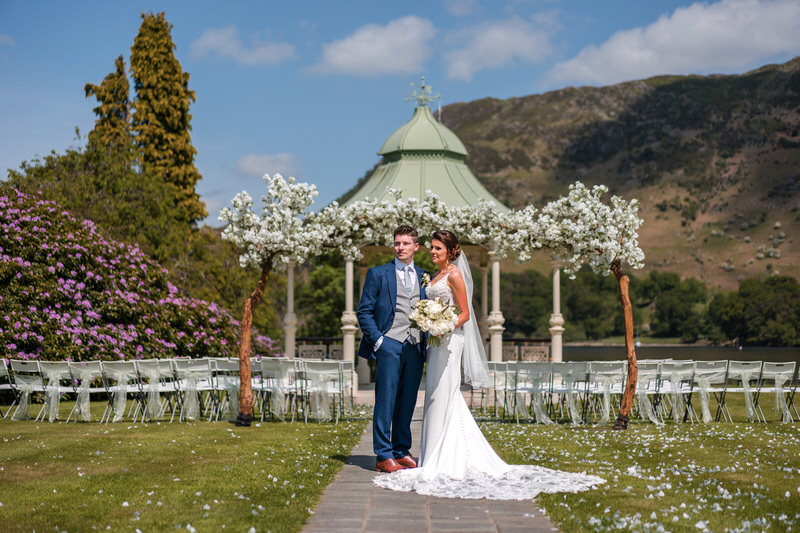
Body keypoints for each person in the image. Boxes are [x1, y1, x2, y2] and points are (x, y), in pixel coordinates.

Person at [374, 230, 605, 500]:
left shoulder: (455, 275)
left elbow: (465, 313)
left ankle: (444, 456)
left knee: (445, 394)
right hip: (432, 344)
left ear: (450, 251)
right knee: (435, 395)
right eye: (432, 248)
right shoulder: (432, 276)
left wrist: (442, 326)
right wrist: (429, 324)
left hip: (447, 341)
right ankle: (430, 454)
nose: (433, 252)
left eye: (438, 248)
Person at [357, 225, 427, 473]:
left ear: (415, 247)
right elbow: (364, 311)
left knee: (407, 401)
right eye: (397, 243)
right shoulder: (378, 274)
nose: (401, 248)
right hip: (389, 343)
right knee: (385, 400)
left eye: (406, 243)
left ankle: (400, 449)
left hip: (416, 346)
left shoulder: (423, 276)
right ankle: (383, 455)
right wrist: (379, 341)